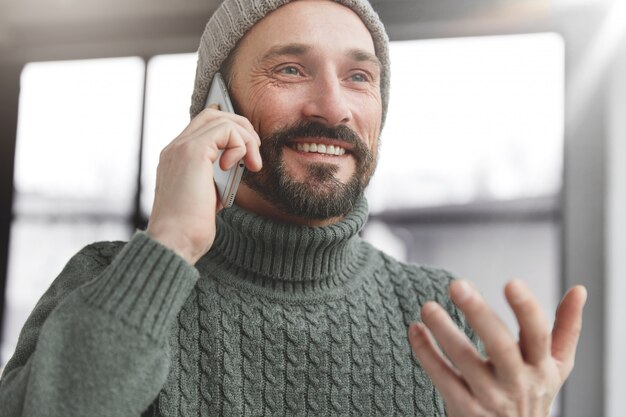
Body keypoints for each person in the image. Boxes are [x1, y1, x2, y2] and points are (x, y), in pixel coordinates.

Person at [0, 0, 587, 416]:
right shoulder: (108, 282)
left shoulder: (442, 317)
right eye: (290, 69)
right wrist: (170, 246)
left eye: (359, 76)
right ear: (216, 105)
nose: (333, 108)